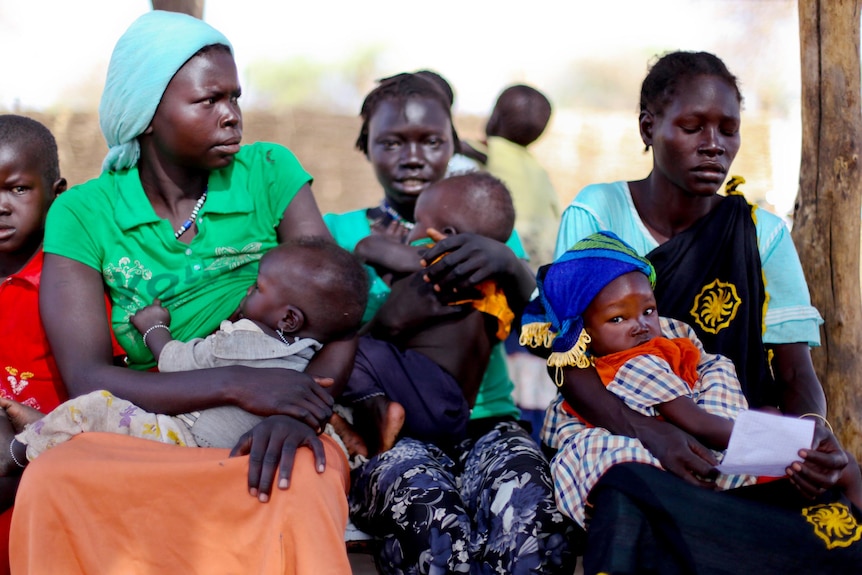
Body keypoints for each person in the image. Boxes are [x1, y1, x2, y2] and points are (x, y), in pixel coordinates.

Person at [10, 11, 355, 574]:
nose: (232, 117)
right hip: (155, 424)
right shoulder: (84, 213)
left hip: (277, 419)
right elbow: (89, 377)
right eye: (209, 100)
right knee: (55, 477)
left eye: (235, 98)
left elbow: (340, 315)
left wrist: (300, 414)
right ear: (146, 114)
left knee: (296, 480)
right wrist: (241, 384)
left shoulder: (270, 172)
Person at [545, 50, 860, 573]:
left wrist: (809, 431)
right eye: (692, 127)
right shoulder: (597, 213)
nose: (713, 145)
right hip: (618, 429)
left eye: (727, 130)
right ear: (649, 127)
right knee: (627, 489)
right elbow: (568, 359)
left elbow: (794, 369)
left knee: (834, 492)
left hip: (736, 434)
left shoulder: (762, 234)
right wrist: (652, 433)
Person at [325, 72, 574, 574]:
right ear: (365, 145)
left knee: (527, 501)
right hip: (390, 434)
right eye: (391, 142)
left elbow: (556, 342)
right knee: (422, 509)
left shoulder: (489, 233)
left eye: (432, 141)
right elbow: (323, 347)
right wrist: (389, 321)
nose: (413, 156)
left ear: (454, 145)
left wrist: (510, 265)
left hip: (489, 422)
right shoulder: (337, 233)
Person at [0, 238, 368, 470]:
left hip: (183, 440)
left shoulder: (242, 342)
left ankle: (18, 452)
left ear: (287, 318)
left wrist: (155, 327)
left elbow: (175, 362)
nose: (246, 294)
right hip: (232, 452)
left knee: (95, 407)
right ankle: (51, 429)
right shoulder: (308, 353)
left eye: (257, 288)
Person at [521, 231, 758, 528]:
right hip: (645, 446)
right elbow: (700, 424)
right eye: (618, 318)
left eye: (648, 311)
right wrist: (775, 444)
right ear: (583, 332)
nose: (641, 326)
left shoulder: (667, 337)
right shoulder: (635, 360)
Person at [341, 172, 516, 455]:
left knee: (346, 350)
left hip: (426, 394)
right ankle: (378, 423)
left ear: (445, 237)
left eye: (419, 223)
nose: (412, 232)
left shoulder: (441, 264)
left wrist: (387, 247)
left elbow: (367, 247)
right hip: (454, 414)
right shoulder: (494, 289)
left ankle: (378, 415)